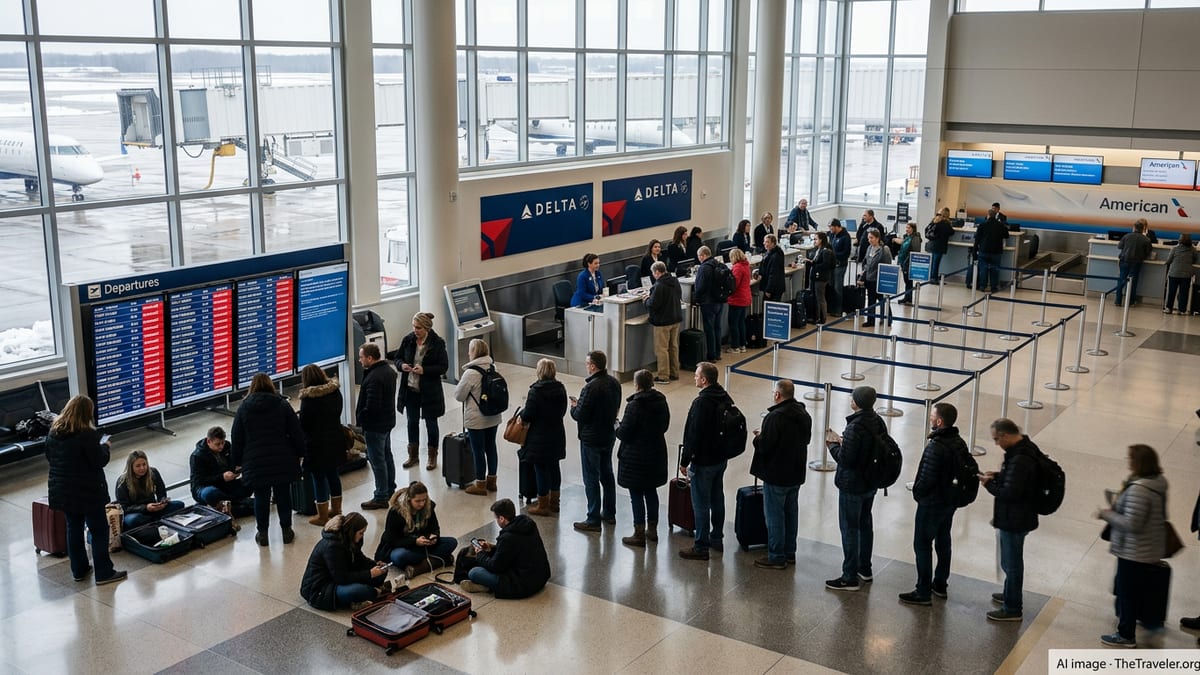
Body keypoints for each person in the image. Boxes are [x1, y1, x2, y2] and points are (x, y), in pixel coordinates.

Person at [45, 395, 126, 586]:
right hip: (88, 491)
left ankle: (79, 570)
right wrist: (105, 447)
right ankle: (104, 572)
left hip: (63, 491)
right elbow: (99, 461)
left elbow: (49, 457)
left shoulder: (53, 433)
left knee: (73, 528)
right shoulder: (86, 434)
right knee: (99, 530)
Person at [1096, 444, 1170, 648]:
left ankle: (1125, 634)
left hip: (1134, 551)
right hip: (1149, 547)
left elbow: (1132, 524)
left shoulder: (1139, 489)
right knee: (1138, 589)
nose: (1128, 462)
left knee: (1127, 592)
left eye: (1131, 459)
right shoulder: (1158, 482)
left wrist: (1107, 514)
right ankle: (1149, 623)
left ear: (1139, 463)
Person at [899, 403, 969, 605]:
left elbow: (927, 478)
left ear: (939, 421)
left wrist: (918, 493)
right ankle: (940, 583)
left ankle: (922, 591)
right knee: (943, 539)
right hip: (949, 502)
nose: (930, 418)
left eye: (932, 415)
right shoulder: (958, 442)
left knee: (922, 544)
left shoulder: (936, 446)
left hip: (932, 503)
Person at [824, 386, 886, 591]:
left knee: (849, 528)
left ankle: (849, 576)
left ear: (855, 403)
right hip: (870, 482)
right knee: (865, 524)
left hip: (852, 485)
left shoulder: (854, 427)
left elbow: (845, 459)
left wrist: (833, 445)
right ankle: (864, 568)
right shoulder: (878, 421)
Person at [232, 373, 306, 546]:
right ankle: (286, 530)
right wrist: (301, 452)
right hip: (282, 458)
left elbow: (237, 437)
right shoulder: (282, 405)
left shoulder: (244, 408)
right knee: (283, 495)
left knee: (261, 498)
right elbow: (296, 431)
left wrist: (236, 462)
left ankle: (263, 533)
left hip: (255, 461)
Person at [980, 418, 1041, 622]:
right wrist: (998, 475)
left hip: (1015, 518)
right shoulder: (1023, 449)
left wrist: (989, 485)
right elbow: (1016, 480)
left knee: (1011, 563)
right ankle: (1009, 594)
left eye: (997, 439)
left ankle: (1012, 607)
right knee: (1010, 561)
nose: (997, 443)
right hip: (1018, 516)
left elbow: (1010, 493)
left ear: (1006, 435)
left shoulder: (1020, 458)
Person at [750, 379, 811, 569]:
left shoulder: (774, 417)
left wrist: (759, 437)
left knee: (774, 515)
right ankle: (789, 551)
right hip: (796, 472)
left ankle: (776, 555)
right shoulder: (804, 414)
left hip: (777, 474)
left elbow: (766, 447)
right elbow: (806, 439)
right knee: (791, 513)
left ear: (777, 395)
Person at [679, 361, 735, 561]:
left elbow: (694, 435)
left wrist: (685, 461)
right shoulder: (723, 396)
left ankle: (701, 546)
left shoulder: (701, 402)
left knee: (700, 503)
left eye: (696, 375)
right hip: (720, 458)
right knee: (717, 497)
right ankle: (716, 537)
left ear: (704, 380)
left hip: (703, 461)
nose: (694, 378)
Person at [615, 370, 670, 547]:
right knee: (651, 492)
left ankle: (638, 533)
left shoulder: (635, 405)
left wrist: (617, 425)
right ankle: (652, 530)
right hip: (655, 453)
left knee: (636, 494)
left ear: (637, 385)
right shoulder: (661, 401)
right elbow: (665, 426)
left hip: (635, 457)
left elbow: (624, 433)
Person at [300, 512, 397, 612]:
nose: (362, 536)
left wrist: (376, 566)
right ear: (352, 532)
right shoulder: (332, 546)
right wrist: (369, 574)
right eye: (361, 533)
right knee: (360, 591)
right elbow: (341, 578)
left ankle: (368, 594)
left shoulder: (348, 539)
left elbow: (360, 559)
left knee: (380, 573)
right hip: (321, 588)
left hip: (338, 578)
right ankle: (372, 593)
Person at [569, 349, 622, 532]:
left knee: (591, 477)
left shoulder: (590, 388)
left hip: (591, 438)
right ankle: (609, 513)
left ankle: (593, 518)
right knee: (607, 474)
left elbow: (581, 415)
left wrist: (574, 407)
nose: (586, 367)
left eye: (587, 364)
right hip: (608, 435)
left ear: (593, 366)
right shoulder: (615, 383)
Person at [390, 312, 448, 471]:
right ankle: (413, 455)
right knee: (412, 422)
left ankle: (432, 455)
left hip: (430, 391)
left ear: (427, 328)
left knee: (431, 423)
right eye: (414, 327)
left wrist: (425, 370)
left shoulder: (437, 343)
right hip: (410, 389)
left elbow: (443, 367)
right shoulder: (408, 340)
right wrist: (402, 366)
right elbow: (397, 358)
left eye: (419, 328)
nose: (415, 330)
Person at [460, 498, 552, 598]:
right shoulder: (527, 524)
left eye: (496, 518)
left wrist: (480, 554)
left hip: (523, 585)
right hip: (541, 577)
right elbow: (513, 551)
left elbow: (495, 566)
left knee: (474, 572)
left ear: (502, 519)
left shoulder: (508, 537)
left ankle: (489, 587)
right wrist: (492, 548)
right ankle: (488, 586)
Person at [374, 481, 458, 580]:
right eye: (417, 501)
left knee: (452, 542)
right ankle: (439, 560)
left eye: (424, 500)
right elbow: (392, 539)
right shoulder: (396, 512)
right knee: (399, 556)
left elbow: (435, 527)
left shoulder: (429, 506)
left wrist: (434, 536)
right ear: (409, 499)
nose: (422, 504)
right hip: (404, 546)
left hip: (424, 545)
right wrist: (414, 542)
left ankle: (420, 567)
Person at [297, 363, 346, 527]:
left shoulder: (308, 400)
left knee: (318, 479)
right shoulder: (335, 391)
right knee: (333, 474)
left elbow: (304, 424)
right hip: (335, 439)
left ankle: (323, 516)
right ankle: (337, 510)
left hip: (316, 445)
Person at [454, 338, 504, 496]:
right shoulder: (492, 367)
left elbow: (459, 396)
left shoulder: (470, 373)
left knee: (478, 450)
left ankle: (480, 484)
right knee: (491, 447)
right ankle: (492, 481)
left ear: (474, 353)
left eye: (470, 350)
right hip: (493, 416)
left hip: (476, 419)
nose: (468, 353)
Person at [521, 359, 569, 517]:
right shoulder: (561, 388)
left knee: (540, 468)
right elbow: (562, 411)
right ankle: (555, 502)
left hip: (539, 436)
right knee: (554, 467)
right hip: (556, 433)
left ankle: (543, 504)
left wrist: (522, 414)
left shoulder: (535, 391)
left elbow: (528, 415)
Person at [356, 344, 398, 510]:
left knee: (377, 461)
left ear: (370, 358)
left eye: (361, 357)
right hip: (387, 422)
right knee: (387, 456)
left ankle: (381, 496)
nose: (360, 360)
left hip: (375, 426)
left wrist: (361, 419)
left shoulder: (374, 377)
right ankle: (389, 489)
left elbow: (372, 406)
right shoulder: (389, 371)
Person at [190, 425, 254, 517]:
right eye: (218, 444)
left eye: (222, 443)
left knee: (250, 481)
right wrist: (222, 477)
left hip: (225, 484)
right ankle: (237, 502)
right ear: (209, 441)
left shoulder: (227, 446)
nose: (221, 446)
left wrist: (236, 470)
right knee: (211, 493)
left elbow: (234, 462)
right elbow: (199, 480)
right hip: (204, 487)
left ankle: (227, 505)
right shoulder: (197, 456)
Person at [114, 450, 186, 530]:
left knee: (179, 505)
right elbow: (124, 508)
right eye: (138, 466)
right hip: (135, 513)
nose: (142, 468)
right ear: (131, 467)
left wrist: (162, 502)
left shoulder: (153, 472)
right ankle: (156, 522)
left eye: (144, 464)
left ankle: (154, 522)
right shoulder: (122, 482)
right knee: (134, 520)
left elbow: (161, 492)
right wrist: (145, 508)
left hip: (153, 508)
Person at [644, 260, 682, 383]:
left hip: (662, 322)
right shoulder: (674, 281)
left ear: (657, 272)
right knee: (674, 347)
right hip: (675, 319)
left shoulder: (659, 285)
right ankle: (674, 372)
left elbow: (653, 304)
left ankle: (663, 376)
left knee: (662, 349)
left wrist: (646, 300)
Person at [693, 246, 726, 362]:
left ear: (703, 255)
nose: (699, 259)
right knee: (717, 327)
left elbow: (701, 286)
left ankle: (711, 355)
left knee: (709, 329)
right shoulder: (719, 264)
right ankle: (717, 353)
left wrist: (696, 298)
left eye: (699, 256)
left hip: (708, 302)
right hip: (720, 301)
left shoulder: (704, 268)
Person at [859, 229, 892, 328]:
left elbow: (887, 265)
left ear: (877, 238)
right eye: (868, 238)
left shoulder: (884, 249)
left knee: (883, 299)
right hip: (869, 278)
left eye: (872, 238)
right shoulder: (869, 248)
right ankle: (870, 320)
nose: (869, 240)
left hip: (879, 279)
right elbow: (866, 263)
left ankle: (888, 318)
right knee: (871, 300)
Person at [1116, 218, 1153, 307]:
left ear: (1134, 227)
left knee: (1121, 280)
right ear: (1143, 228)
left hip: (1124, 260)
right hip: (1136, 262)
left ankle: (1118, 301)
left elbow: (1119, 246)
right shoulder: (1146, 239)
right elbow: (1148, 251)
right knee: (1133, 282)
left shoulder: (1126, 236)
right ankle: (1130, 302)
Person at [974, 206, 1009, 294]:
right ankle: (994, 287)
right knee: (995, 269)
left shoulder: (982, 225)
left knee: (983, 269)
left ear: (988, 215)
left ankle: (983, 286)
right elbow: (1006, 235)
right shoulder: (1000, 225)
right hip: (996, 251)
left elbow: (977, 238)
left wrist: (975, 250)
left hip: (984, 250)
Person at [726, 248, 752, 353]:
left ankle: (735, 346)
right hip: (745, 297)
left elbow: (734, 284)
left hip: (737, 299)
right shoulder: (746, 266)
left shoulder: (737, 268)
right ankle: (742, 344)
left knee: (733, 323)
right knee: (741, 322)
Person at [1164, 233, 1196, 314]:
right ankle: (1182, 310)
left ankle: (1169, 308)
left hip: (1174, 272)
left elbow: (1169, 260)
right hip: (1186, 274)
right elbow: (1195, 260)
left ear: (1180, 240)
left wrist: (1166, 262)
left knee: (1171, 291)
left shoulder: (1175, 249)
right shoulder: (1193, 250)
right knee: (1184, 293)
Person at [808, 231, 834, 324]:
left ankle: (823, 317)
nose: (814, 241)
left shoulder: (826, 251)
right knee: (815, 297)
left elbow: (825, 264)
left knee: (820, 297)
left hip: (821, 277)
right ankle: (816, 316)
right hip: (814, 276)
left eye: (816, 239)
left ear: (821, 240)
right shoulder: (816, 249)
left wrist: (813, 263)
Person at [894, 221, 922, 305]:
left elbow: (915, 251)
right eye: (906, 228)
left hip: (908, 263)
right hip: (903, 262)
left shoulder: (915, 238)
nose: (907, 229)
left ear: (913, 229)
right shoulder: (907, 237)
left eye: (909, 228)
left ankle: (908, 298)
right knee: (907, 281)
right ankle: (908, 297)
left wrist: (908, 261)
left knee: (908, 281)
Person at [829, 218, 852, 315]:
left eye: (831, 227)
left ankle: (838, 309)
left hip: (840, 265)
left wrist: (833, 254)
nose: (830, 229)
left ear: (836, 227)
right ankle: (831, 307)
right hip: (833, 265)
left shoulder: (845, 237)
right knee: (832, 286)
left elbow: (846, 253)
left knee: (838, 288)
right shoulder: (833, 235)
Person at [925, 207, 954, 280]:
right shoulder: (945, 223)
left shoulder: (934, 220)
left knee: (933, 262)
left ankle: (931, 277)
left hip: (931, 244)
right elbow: (951, 232)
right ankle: (934, 278)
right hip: (939, 246)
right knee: (936, 263)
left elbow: (926, 229)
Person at [755, 234, 785, 304]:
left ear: (773, 243)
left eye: (767, 242)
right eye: (764, 241)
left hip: (774, 289)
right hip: (773, 287)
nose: (764, 243)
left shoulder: (776, 256)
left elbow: (773, 275)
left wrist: (769, 290)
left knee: (770, 309)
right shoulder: (770, 252)